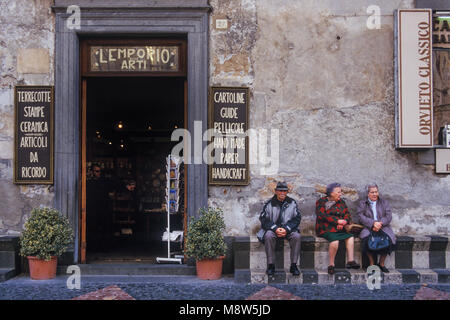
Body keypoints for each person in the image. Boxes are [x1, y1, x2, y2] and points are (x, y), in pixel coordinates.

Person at [258, 181, 302, 276]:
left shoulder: (292, 203)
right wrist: (275, 228)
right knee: (268, 235)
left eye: (284, 191)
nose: (282, 193)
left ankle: (293, 265)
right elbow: (263, 218)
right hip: (273, 229)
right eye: (280, 191)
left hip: (288, 229)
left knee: (297, 236)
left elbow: (297, 218)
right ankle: (271, 265)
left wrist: (286, 228)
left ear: (287, 192)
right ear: (276, 191)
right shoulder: (269, 203)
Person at [315, 182, 360, 274]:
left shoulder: (341, 202)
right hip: (325, 228)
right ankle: (331, 265)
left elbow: (347, 214)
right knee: (335, 241)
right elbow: (322, 215)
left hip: (339, 228)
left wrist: (344, 222)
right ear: (331, 193)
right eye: (338, 192)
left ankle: (350, 261)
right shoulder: (322, 202)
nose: (341, 194)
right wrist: (337, 221)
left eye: (340, 192)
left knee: (350, 236)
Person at [357, 183, 396, 273]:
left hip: (383, 226)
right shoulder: (362, 203)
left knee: (389, 239)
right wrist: (373, 223)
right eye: (372, 192)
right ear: (368, 194)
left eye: (376, 192)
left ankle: (381, 263)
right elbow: (360, 216)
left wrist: (380, 223)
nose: (375, 194)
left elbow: (388, 216)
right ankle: (372, 263)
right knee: (366, 239)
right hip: (368, 226)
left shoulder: (384, 202)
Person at [86, 164, 111, 251]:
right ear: (92, 172)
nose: (99, 173)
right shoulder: (88, 183)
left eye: (100, 171)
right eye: (97, 171)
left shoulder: (105, 181)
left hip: (103, 209)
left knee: (104, 229)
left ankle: (104, 248)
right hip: (92, 210)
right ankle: (93, 248)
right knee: (93, 229)